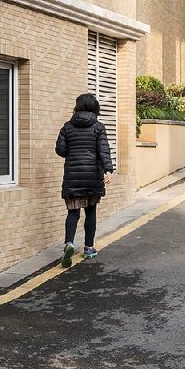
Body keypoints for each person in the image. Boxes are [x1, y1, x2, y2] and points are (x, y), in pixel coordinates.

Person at [55, 93, 113, 267]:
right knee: (91, 211)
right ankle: (88, 247)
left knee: (73, 212)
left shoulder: (67, 127)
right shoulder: (98, 127)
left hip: (73, 175)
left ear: (77, 107)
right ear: (95, 107)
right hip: (93, 175)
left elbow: (61, 150)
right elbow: (104, 150)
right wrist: (108, 169)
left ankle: (69, 243)